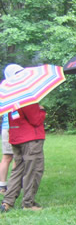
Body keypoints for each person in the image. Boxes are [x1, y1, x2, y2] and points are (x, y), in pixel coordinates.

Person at [1, 64, 46, 212]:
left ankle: (7, 202)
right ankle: (28, 203)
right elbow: (35, 119)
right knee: (34, 169)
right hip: (31, 139)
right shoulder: (25, 94)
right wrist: (41, 110)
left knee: (18, 169)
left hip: (16, 137)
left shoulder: (9, 94)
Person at [0, 114, 15, 194]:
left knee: (6, 158)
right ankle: (13, 185)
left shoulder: (4, 101)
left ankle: (2, 186)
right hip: (15, 127)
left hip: (6, 127)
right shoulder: (18, 101)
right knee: (17, 158)